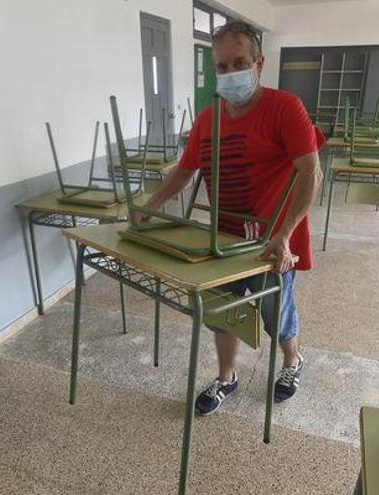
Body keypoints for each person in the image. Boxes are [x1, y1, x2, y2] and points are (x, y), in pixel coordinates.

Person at [133, 20, 323, 415]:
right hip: (224, 239)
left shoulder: (285, 108)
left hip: (271, 244)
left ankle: (292, 362)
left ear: (259, 64)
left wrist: (285, 234)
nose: (230, 72)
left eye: (239, 62)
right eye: (221, 66)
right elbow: (184, 172)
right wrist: (150, 208)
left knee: (277, 318)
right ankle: (227, 377)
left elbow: (311, 172)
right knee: (223, 316)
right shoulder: (208, 120)